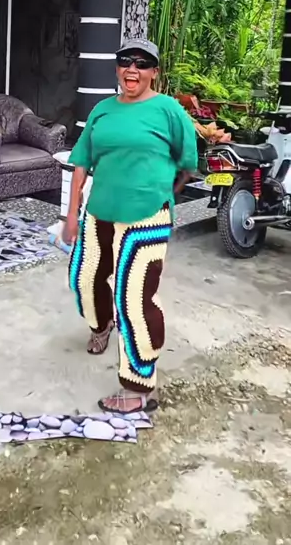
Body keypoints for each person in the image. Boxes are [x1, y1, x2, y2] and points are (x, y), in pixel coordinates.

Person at [64, 38, 197, 414]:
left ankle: (139, 388)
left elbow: (187, 164)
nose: (132, 69)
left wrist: (160, 194)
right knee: (83, 278)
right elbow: (82, 161)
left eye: (142, 63)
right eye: (125, 61)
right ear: (118, 68)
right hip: (99, 212)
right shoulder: (102, 110)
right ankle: (101, 325)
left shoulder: (168, 110)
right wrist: (71, 214)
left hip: (146, 216)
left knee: (134, 298)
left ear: (154, 71)